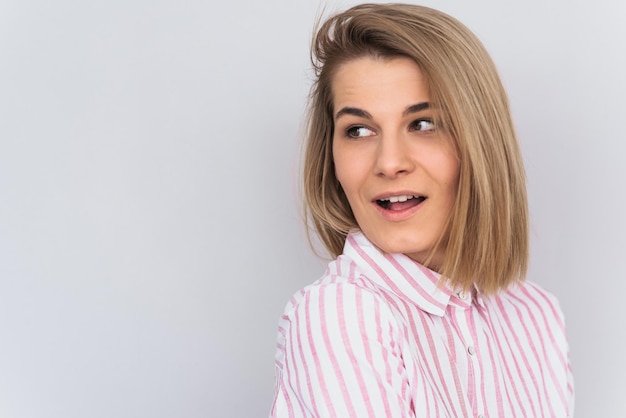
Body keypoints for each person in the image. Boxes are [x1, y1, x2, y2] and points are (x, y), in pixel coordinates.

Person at [270, 3, 574, 417]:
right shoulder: (341, 316)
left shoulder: (533, 313)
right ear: (332, 160)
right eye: (358, 130)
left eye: (423, 124)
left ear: (480, 144)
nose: (389, 162)